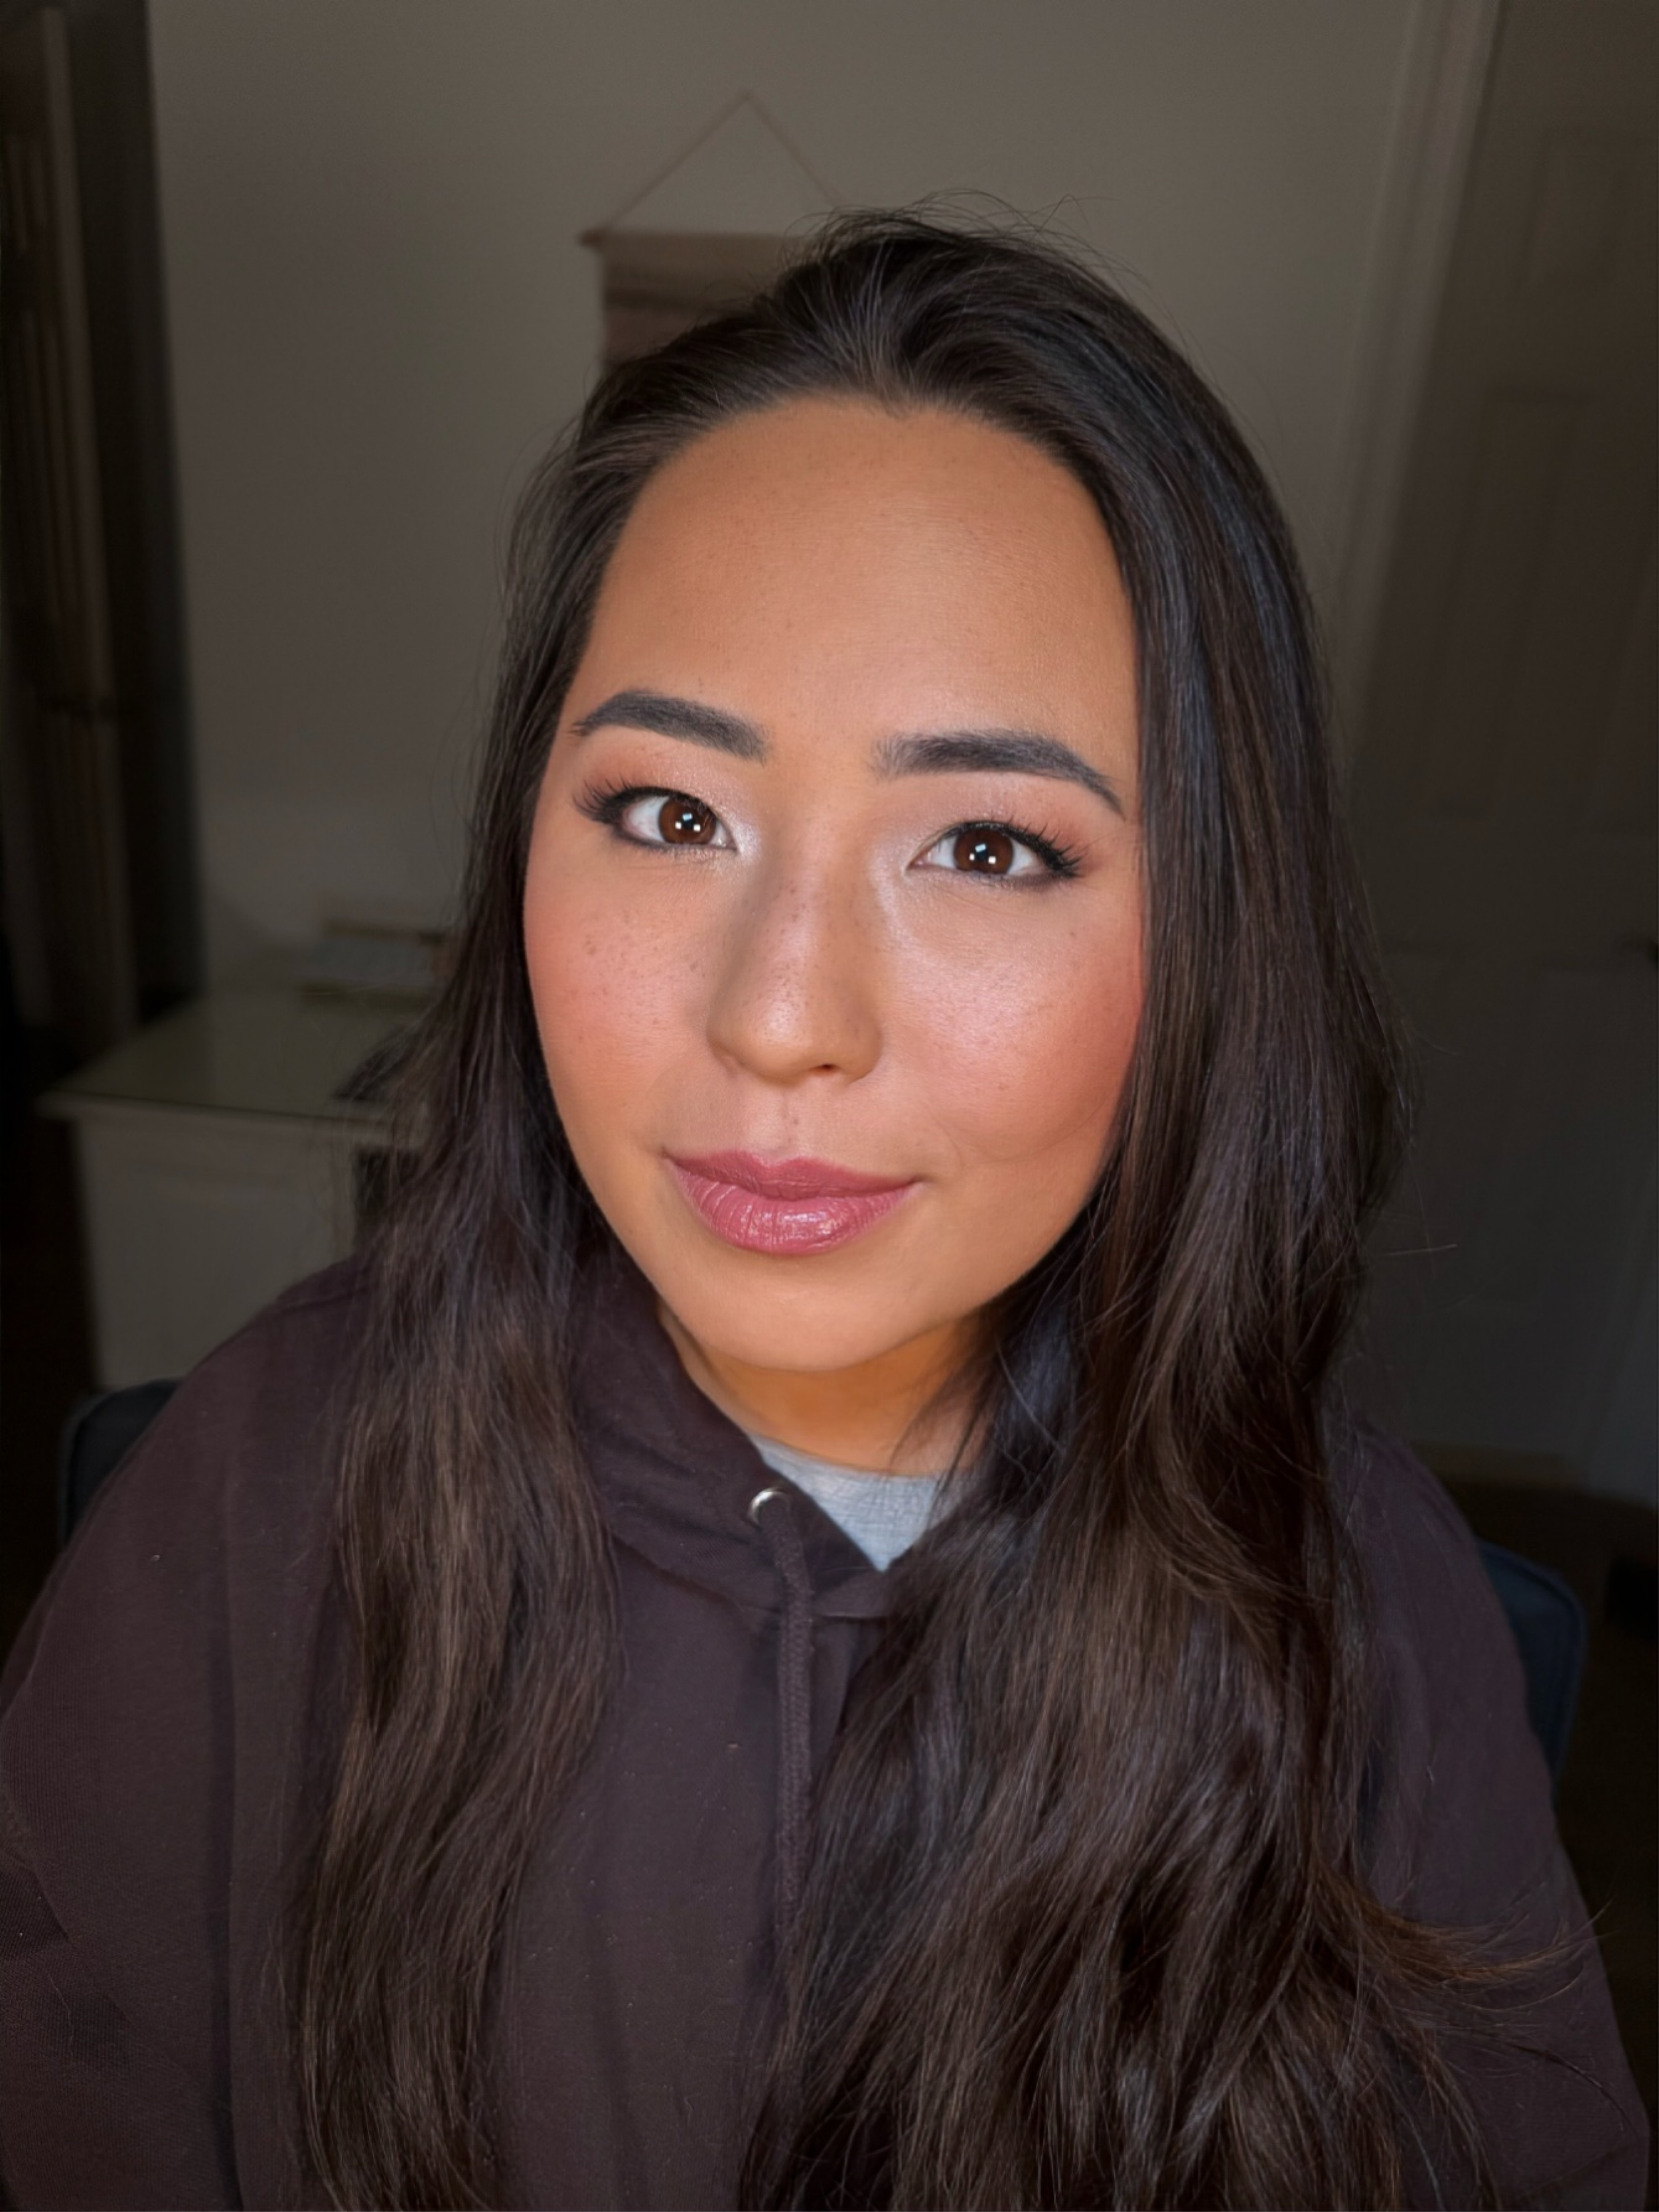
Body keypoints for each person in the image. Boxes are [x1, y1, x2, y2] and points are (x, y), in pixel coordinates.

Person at [0, 214, 1645, 2212]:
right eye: (669, 813)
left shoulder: (1364, 1609)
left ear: (1215, 936)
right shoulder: (256, 1488)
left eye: (984, 843)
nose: (780, 1015)